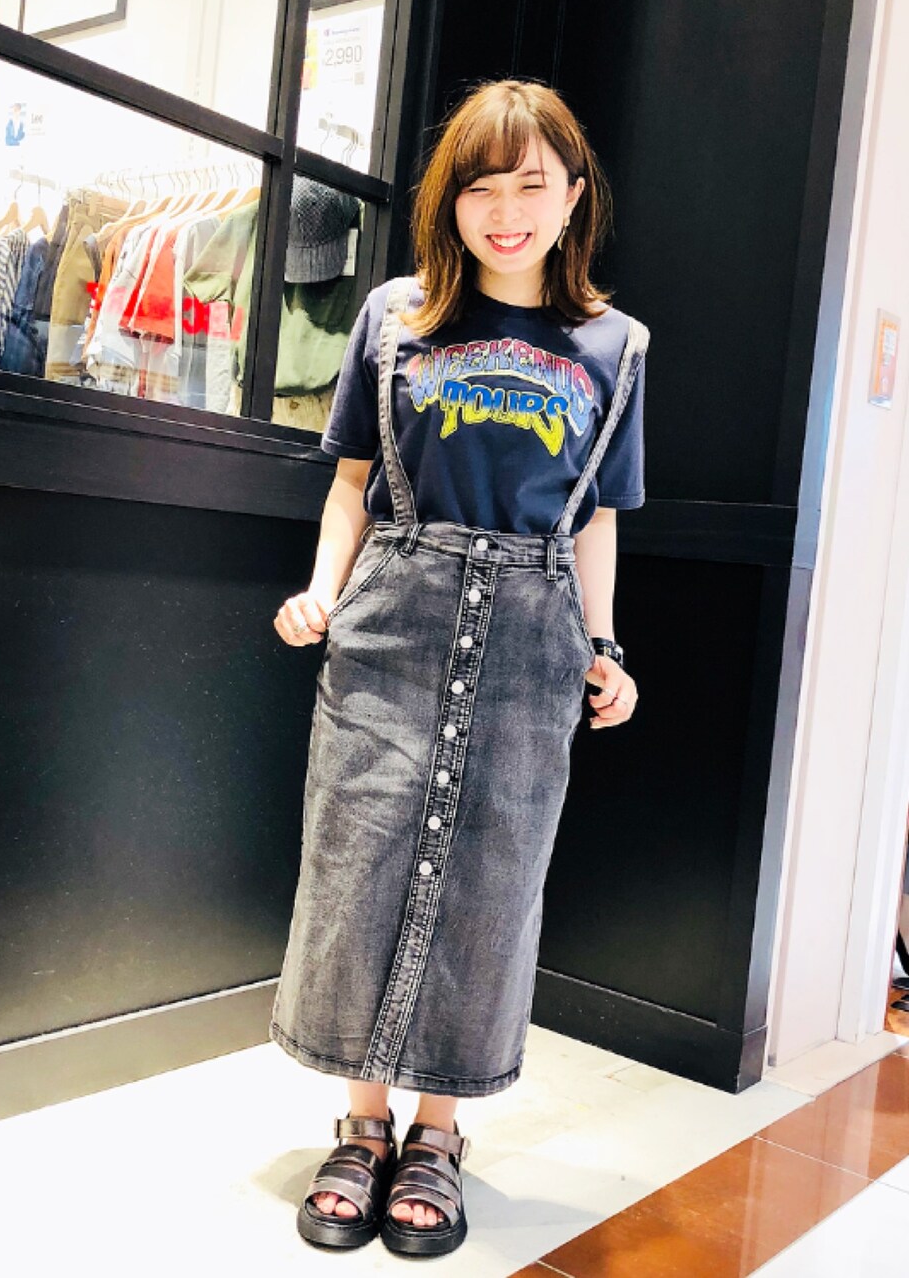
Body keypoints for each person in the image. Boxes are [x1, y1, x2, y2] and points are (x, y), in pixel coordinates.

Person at [270, 78, 650, 1258]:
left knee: (492, 880)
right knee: (357, 863)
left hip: (533, 628)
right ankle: (362, 1123)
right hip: (396, 614)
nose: (506, 210)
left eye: (531, 184)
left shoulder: (615, 345)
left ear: (572, 196)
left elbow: (597, 515)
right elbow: (352, 483)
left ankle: (436, 1132)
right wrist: (323, 590)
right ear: (450, 199)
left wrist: (603, 646)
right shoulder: (395, 314)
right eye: (481, 185)